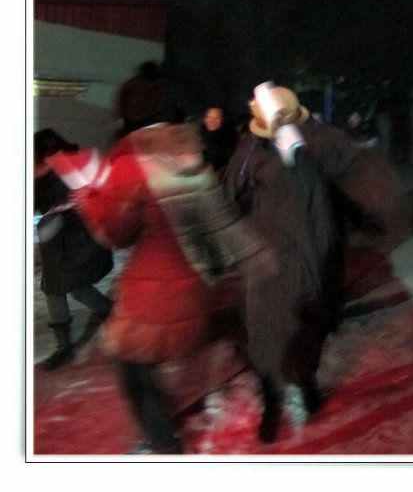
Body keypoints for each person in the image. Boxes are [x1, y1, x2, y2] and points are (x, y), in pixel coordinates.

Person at [74, 121, 270, 453]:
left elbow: (116, 236)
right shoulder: (197, 171)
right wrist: (257, 254)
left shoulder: (135, 174)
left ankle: (165, 444)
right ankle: (267, 378)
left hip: (152, 296)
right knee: (213, 334)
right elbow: (223, 225)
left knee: (131, 367)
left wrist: (88, 200)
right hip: (195, 285)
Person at [222, 84, 403, 435]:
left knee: (311, 327)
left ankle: (306, 385)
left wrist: (364, 218)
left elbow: (348, 172)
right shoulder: (251, 153)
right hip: (269, 261)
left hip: (316, 254)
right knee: (267, 332)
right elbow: (230, 198)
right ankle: (272, 402)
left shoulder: (320, 144)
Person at [34, 129, 114, 371]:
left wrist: (77, 204)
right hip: (54, 239)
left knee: (73, 287)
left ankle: (109, 314)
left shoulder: (70, 169)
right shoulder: (37, 174)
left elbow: (96, 196)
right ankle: (65, 346)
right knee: (56, 287)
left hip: (78, 238)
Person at [115, 61, 172, 135]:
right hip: (149, 119)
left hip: (136, 119)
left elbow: (122, 102)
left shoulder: (132, 84)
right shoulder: (161, 84)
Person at [199, 106, 237, 172]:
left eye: (217, 118)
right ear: (204, 119)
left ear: (223, 120)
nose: (212, 121)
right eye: (209, 117)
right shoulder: (198, 136)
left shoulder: (229, 141)